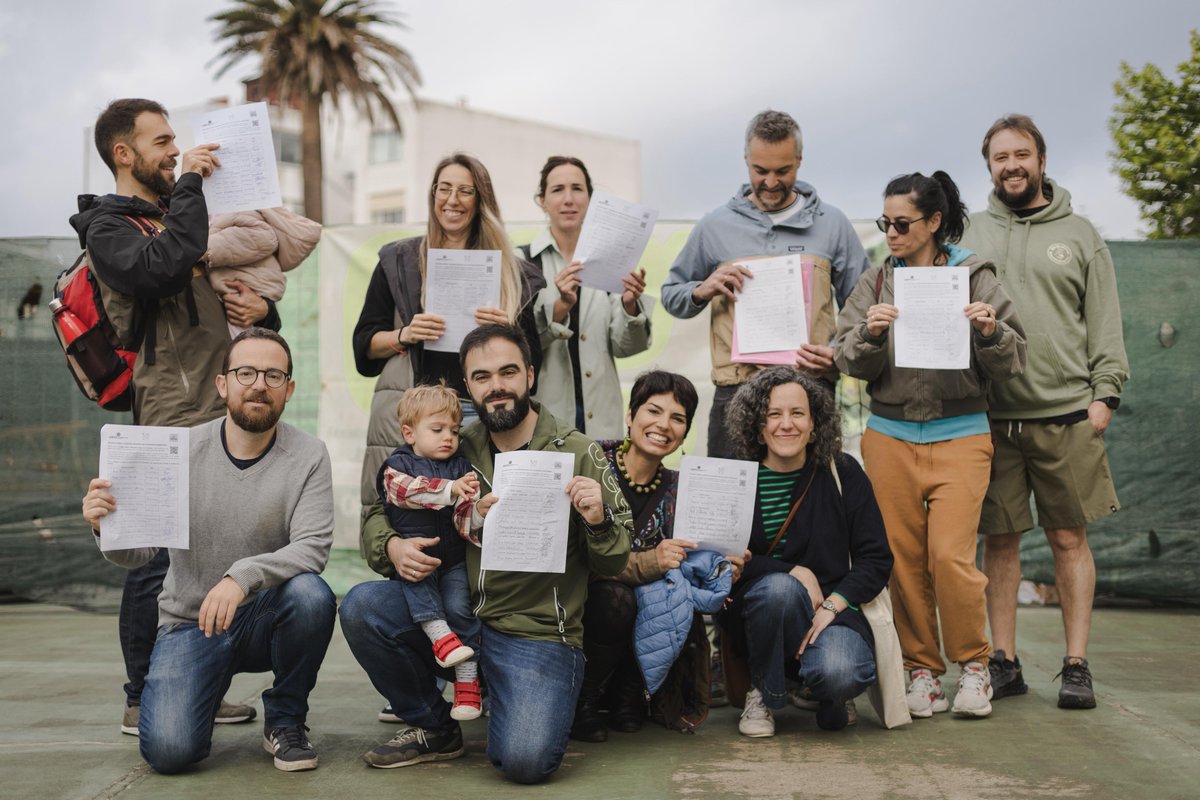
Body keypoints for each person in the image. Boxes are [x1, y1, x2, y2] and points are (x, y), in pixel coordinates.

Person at [341, 324, 632, 783]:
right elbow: (383, 507)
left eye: (508, 372)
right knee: (362, 607)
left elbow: (614, 562)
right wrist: (392, 546)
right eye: (481, 377)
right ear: (468, 386)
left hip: (534, 631)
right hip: (455, 612)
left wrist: (597, 519)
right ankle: (436, 728)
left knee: (525, 761)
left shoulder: (579, 451)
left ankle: (522, 694)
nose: (496, 386)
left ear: (530, 376)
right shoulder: (452, 442)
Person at [70, 98, 279, 736]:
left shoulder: (166, 218)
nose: (175, 150)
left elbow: (203, 304)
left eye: (175, 140)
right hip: (167, 413)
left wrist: (254, 314)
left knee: (205, 557)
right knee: (157, 560)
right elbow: (161, 270)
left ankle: (197, 686)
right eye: (161, 142)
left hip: (213, 406)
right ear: (123, 154)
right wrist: (190, 181)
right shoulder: (109, 227)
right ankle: (141, 696)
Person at [81, 328, 336, 773]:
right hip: (190, 622)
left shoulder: (310, 454)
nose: (259, 384)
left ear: (289, 390)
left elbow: (312, 548)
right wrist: (107, 528)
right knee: (169, 752)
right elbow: (139, 555)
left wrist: (241, 578)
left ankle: (286, 720)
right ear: (222, 385)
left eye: (273, 375)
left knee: (312, 595)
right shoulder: (180, 452)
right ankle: (206, 685)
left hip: (265, 616)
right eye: (246, 372)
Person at [834, 171, 1026, 719]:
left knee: (949, 556)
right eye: (884, 223)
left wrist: (990, 331)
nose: (891, 233)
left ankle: (973, 666)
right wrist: (869, 334)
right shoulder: (875, 282)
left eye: (901, 223)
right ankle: (923, 671)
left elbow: (1014, 359)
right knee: (902, 559)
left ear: (934, 222)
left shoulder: (974, 276)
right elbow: (846, 357)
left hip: (962, 433)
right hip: (888, 436)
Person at [961, 115, 1129, 710]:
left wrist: (1103, 397)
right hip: (991, 417)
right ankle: (1002, 662)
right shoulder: (969, 230)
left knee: (1067, 538)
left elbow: (1104, 321)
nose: (1011, 164)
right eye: (1000, 156)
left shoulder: (1081, 234)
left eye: (1021, 153)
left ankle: (1076, 664)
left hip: (1067, 415)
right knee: (999, 542)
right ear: (989, 166)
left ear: (1041, 159)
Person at [352, 150, 545, 553]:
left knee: (479, 521)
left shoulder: (512, 270)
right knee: (407, 517)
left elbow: (534, 366)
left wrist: (507, 330)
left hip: (484, 415)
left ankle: (470, 607)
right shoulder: (399, 260)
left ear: (481, 201)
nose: (452, 200)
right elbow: (363, 348)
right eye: (444, 189)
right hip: (415, 412)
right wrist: (404, 333)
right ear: (432, 194)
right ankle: (412, 601)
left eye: (465, 191)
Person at [660, 109, 869, 458]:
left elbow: (862, 305)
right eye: (760, 171)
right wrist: (703, 288)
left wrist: (838, 353)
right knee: (731, 504)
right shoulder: (714, 226)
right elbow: (671, 294)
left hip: (810, 390)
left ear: (799, 161)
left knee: (810, 504)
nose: (771, 182)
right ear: (746, 161)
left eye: (782, 171)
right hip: (736, 391)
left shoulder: (833, 224)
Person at [570, 370, 746, 742]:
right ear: (630, 415)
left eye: (678, 418)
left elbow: (696, 566)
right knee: (616, 597)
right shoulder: (588, 463)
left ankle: (629, 692)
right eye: (653, 411)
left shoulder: (685, 488)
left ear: (685, 432)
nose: (663, 425)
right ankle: (584, 697)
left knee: (667, 592)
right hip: (586, 606)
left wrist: (723, 567)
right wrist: (650, 561)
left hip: (651, 614)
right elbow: (580, 561)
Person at [720, 367, 892, 737]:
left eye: (797, 413)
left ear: (815, 424)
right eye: (773, 414)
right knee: (780, 589)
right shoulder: (737, 477)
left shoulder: (843, 473)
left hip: (834, 611)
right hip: (761, 612)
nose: (786, 424)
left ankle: (825, 691)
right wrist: (795, 571)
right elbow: (721, 559)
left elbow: (876, 558)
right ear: (757, 424)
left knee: (841, 672)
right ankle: (764, 690)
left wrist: (834, 604)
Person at [377, 383, 482, 720]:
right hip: (417, 555)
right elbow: (406, 493)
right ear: (409, 433)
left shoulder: (460, 466)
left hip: (452, 560)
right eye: (436, 430)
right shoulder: (397, 465)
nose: (447, 437)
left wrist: (480, 510)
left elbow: (464, 520)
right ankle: (439, 638)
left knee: (460, 609)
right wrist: (451, 489)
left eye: (454, 430)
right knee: (422, 592)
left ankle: (468, 688)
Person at [527, 155, 652, 437]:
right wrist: (560, 307)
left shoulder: (614, 262)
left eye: (577, 188)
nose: (568, 199)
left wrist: (630, 306)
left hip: (602, 420)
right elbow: (518, 346)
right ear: (542, 200)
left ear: (591, 198)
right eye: (557, 190)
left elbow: (626, 347)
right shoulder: (525, 262)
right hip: (544, 421)